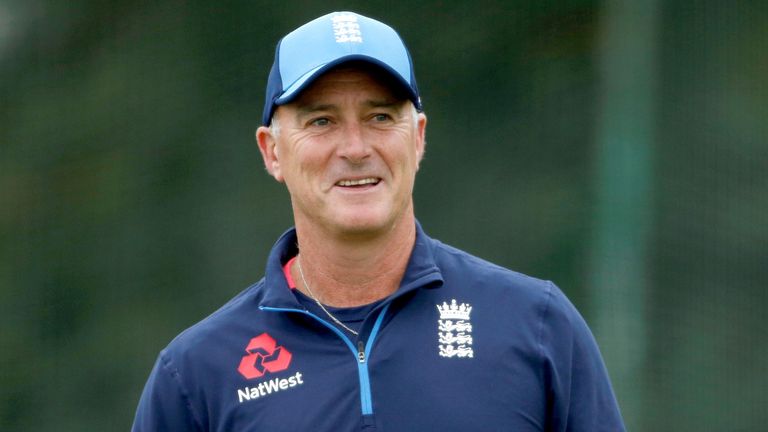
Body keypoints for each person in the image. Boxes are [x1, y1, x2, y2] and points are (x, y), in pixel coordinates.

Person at [132, 11, 625, 432]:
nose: (355, 148)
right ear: (272, 151)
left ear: (419, 138)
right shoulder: (197, 373)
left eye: (381, 117)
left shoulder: (535, 326)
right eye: (321, 121)